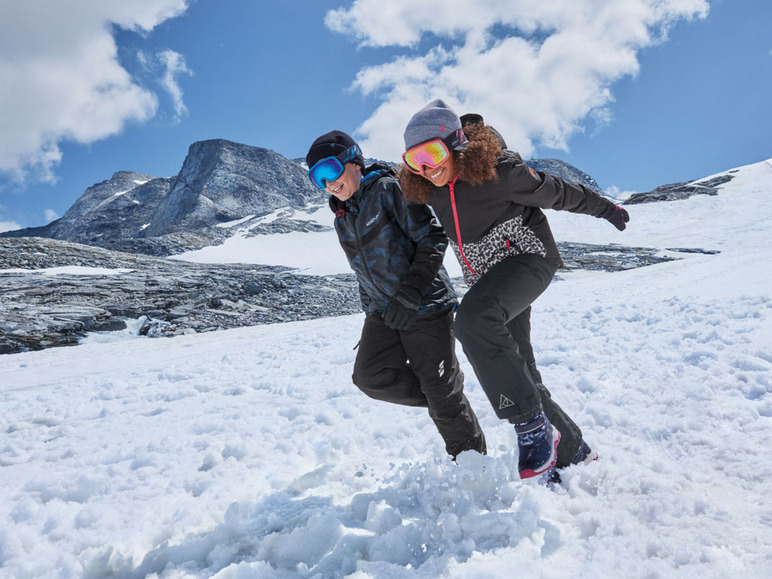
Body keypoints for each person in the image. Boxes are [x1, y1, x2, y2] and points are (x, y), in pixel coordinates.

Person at [399, 99, 630, 479]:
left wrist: (605, 208)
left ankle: (531, 427)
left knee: (472, 319)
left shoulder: (498, 172)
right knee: (520, 372)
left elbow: (558, 192)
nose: (427, 168)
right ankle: (574, 451)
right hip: (490, 281)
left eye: (433, 153)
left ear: (455, 143)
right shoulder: (432, 190)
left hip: (529, 258)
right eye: (415, 161)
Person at [305, 130, 487, 460]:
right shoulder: (343, 219)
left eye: (330, 170)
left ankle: (475, 471)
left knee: (441, 394)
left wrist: (410, 293)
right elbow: (362, 269)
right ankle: (444, 392)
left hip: (426, 304)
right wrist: (372, 309)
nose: (328, 183)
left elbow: (433, 238)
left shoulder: (389, 189)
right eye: (317, 177)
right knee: (369, 377)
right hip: (383, 312)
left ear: (354, 162)